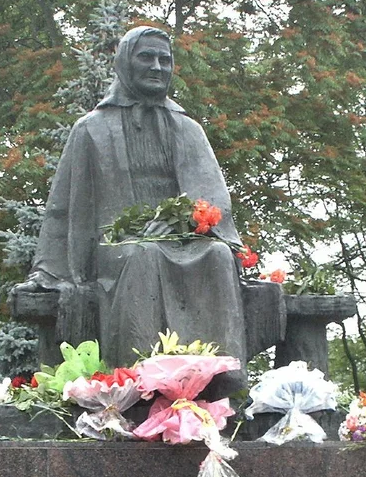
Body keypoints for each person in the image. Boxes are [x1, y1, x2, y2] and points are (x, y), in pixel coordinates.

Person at [17, 26, 249, 388]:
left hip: (183, 239)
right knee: (143, 255)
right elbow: (61, 209)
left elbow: (213, 198)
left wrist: (179, 222)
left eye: (165, 59)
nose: (157, 67)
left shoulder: (187, 128)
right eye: (146, 57)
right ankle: (138, 381)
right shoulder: (91, 129)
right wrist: (47, 271)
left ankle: (219, 379)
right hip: (116, 245)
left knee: (218, 255)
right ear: (124, 62)